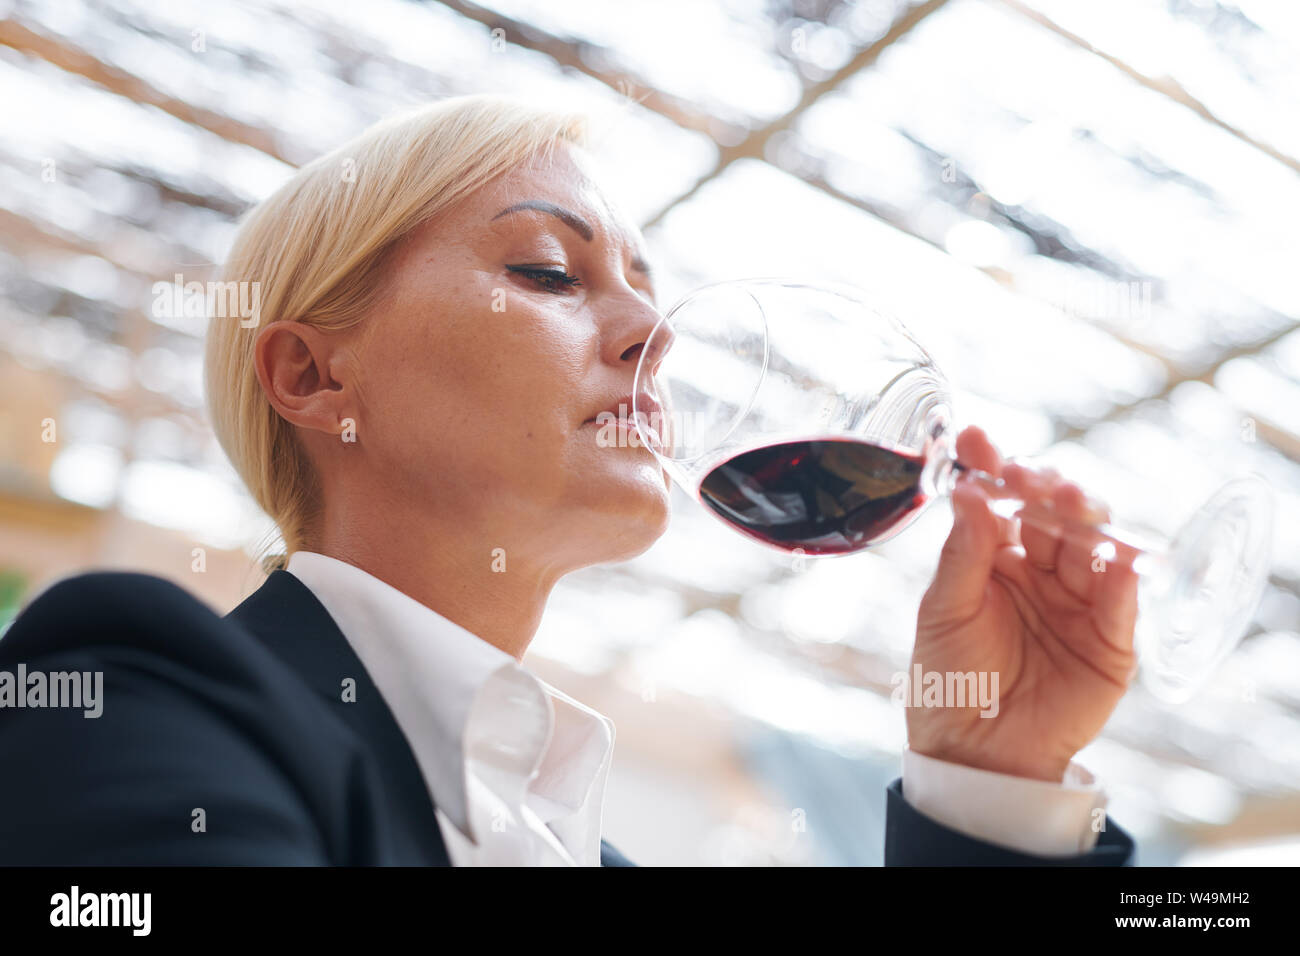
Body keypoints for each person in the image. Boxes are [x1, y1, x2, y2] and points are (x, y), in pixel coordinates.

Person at [0, 95, 1138, 865]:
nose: (654, 328)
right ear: (311, 371)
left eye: (644, 281)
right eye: (548, 269)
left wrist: (987, 787)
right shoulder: (139, 692)